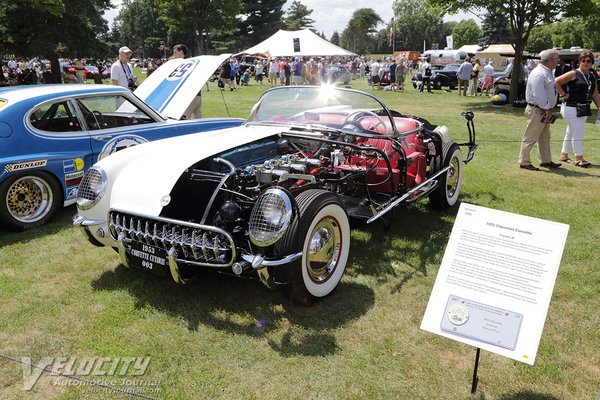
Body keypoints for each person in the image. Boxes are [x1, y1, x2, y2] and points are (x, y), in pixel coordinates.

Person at [517, 49, 562, 171]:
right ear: (551, 61)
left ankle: (545, 160)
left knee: (544, 136)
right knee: (531, 136)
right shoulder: (539, 73)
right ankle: (524, 161)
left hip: (543, 109)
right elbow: (539, 95)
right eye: (557, 60)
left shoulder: (547, 72)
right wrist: (547, 108)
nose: (558, 62)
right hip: (538, 110)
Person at [555, 51, 600, 168]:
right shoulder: (574, 73)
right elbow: (557, 82)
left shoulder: (592, 76)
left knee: (571, 132)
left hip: (583, 108)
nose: (585, 63)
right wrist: (564, 94)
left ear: (592, 63)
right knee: (579, 132)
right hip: (570, 107)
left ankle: (564, 155)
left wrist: (599, 107)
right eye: (583, 60)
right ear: (579, 61)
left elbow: (595, 95)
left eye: (588, 61)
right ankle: (579, 158)